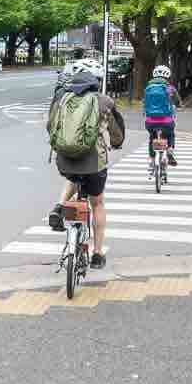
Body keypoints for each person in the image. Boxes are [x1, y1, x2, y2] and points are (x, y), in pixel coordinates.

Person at [47, 65, 125, 270]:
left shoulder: (62, 99)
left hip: (65, 160)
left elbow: (50, 126)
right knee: (97, 203)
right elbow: (117, 133)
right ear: (95, 83)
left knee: (72, 177)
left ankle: (59, 207)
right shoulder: (104, 102)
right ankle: (97, 254)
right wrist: (116, 143)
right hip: (94, 164)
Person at [144, 64, 181, 173]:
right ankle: (169, 150)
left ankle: (152, 161)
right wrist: (179, 105)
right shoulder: (170, 88)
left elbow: (144, 102)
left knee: (152, 137)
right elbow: (178, 101)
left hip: (150, 121)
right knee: (170, 134)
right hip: (166, 121)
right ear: (167, 76)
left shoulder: (148, 88)